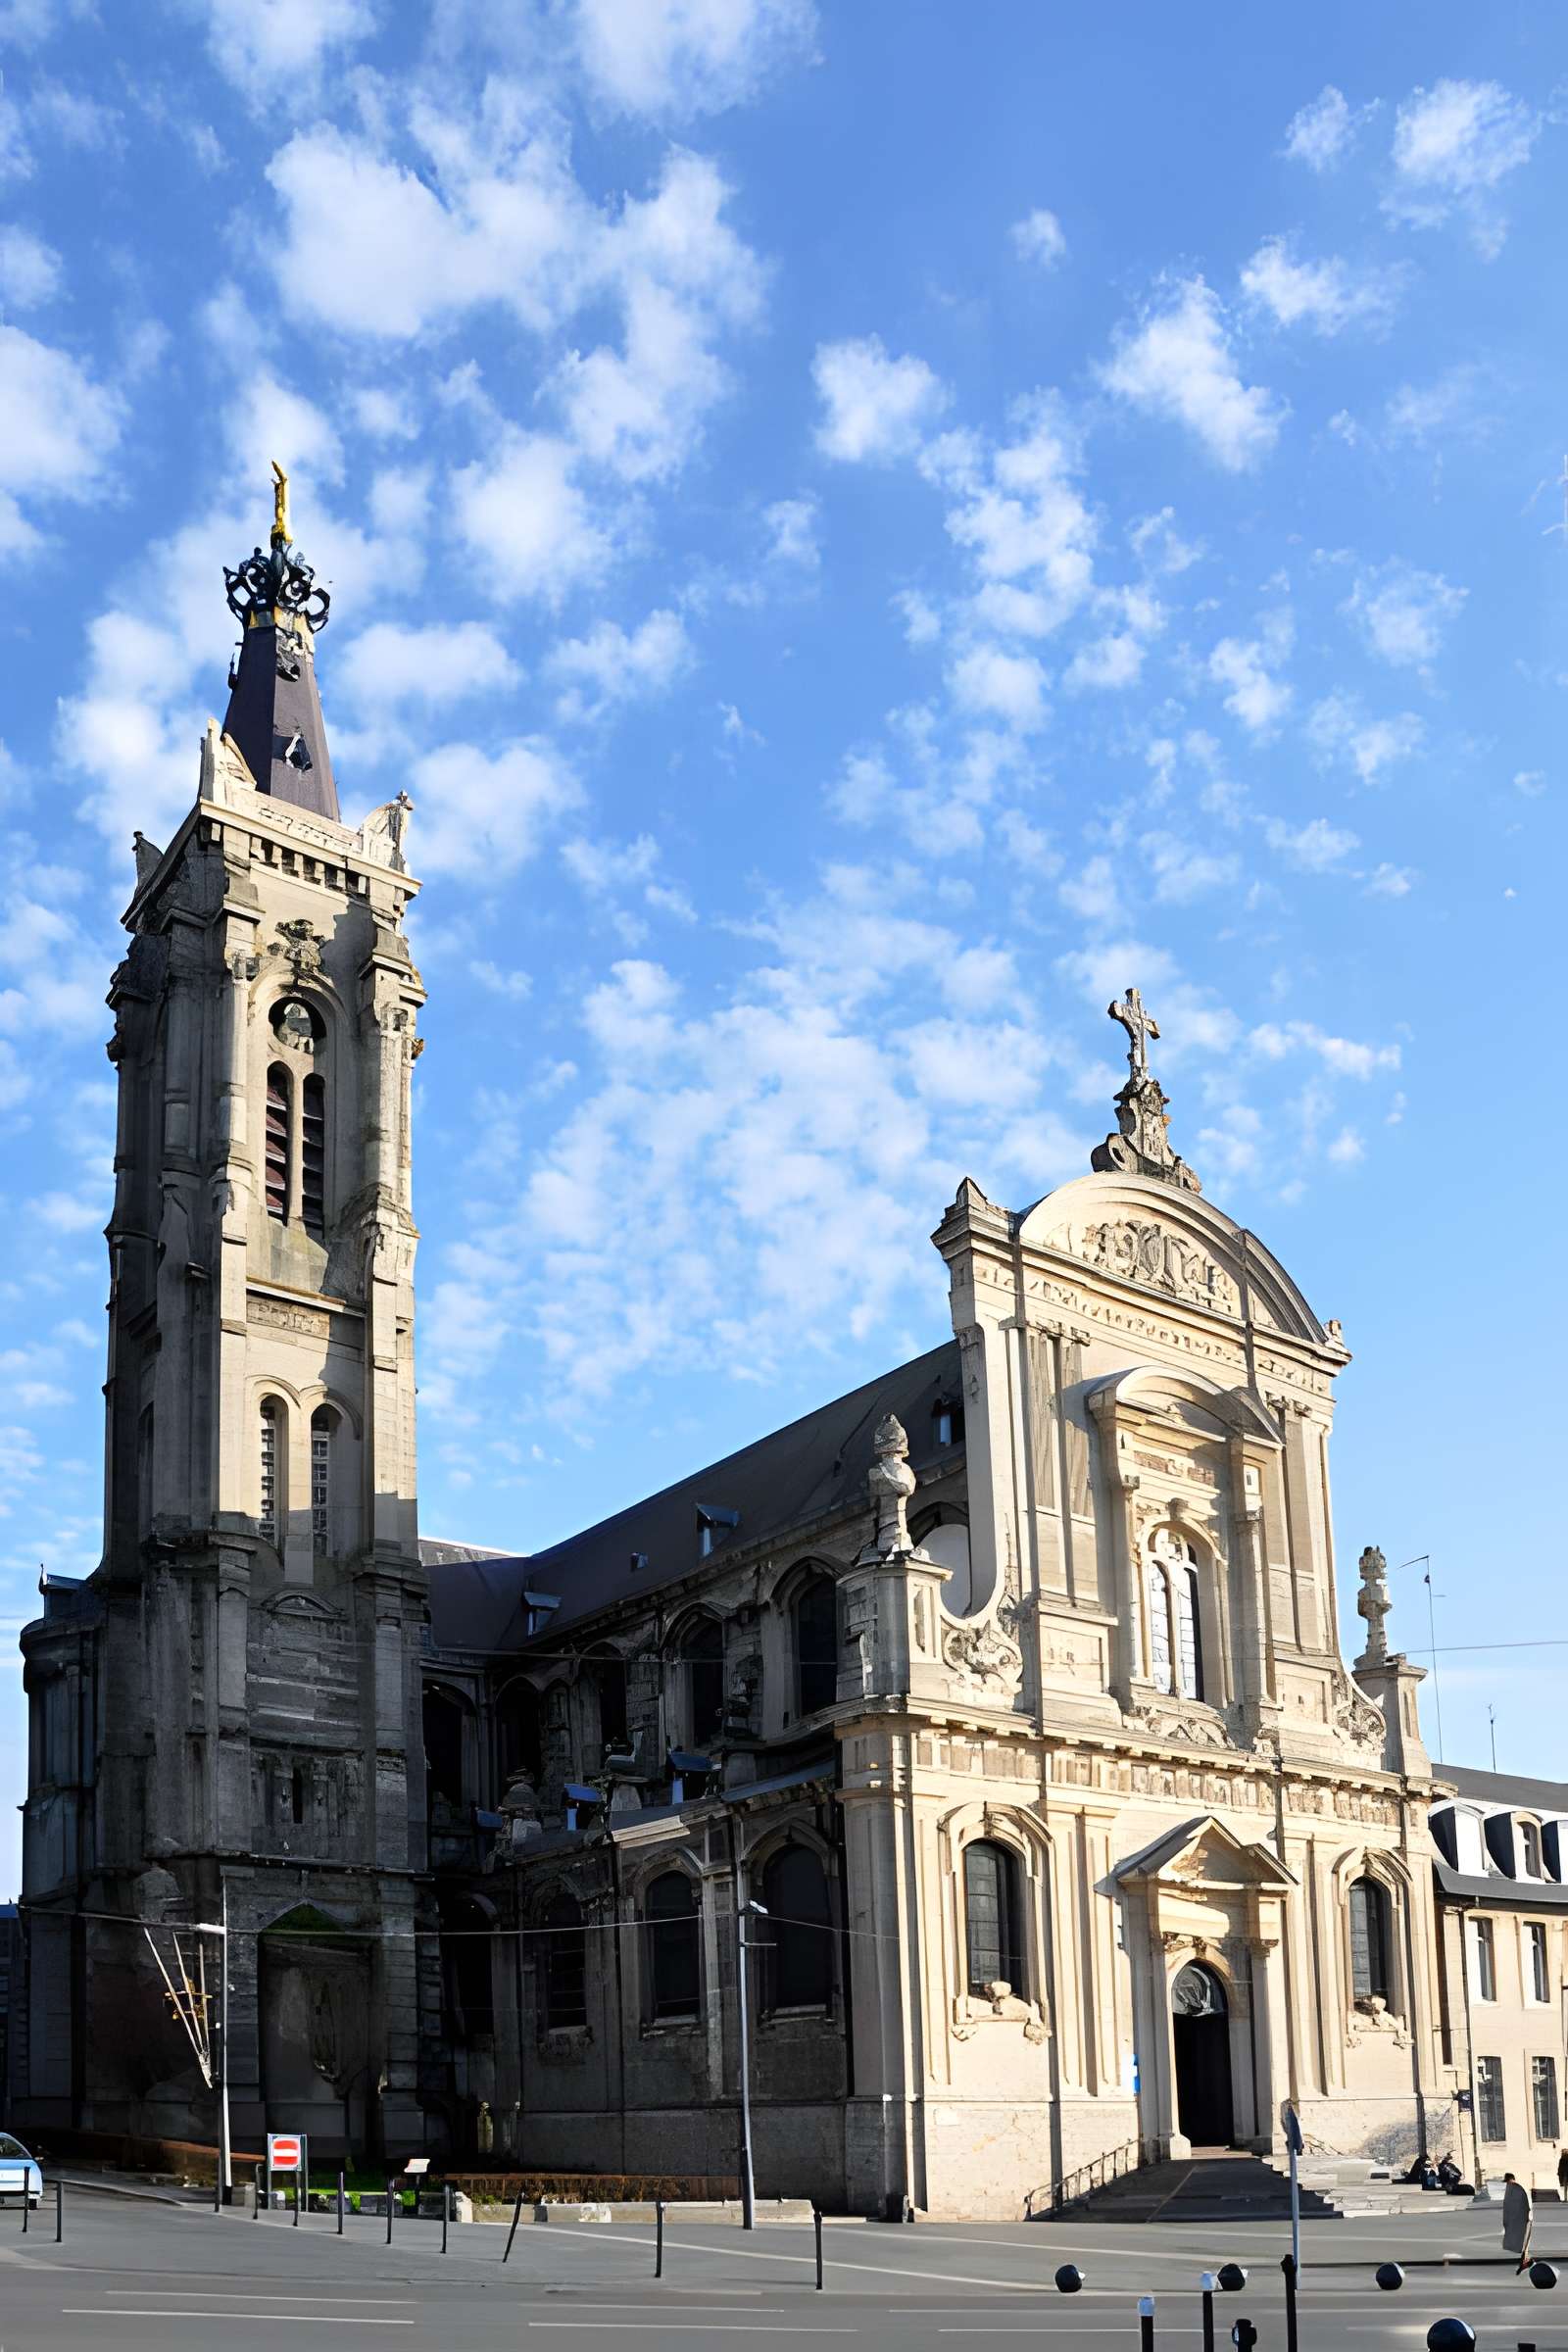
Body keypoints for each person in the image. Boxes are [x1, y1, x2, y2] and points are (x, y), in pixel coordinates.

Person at [1502, 2173, 1533, 2273]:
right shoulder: (1518, 2189)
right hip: (1522, 2218)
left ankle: (1525, 2262)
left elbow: (1508, 2207)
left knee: (1522, 2241)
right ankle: (1524, 2261)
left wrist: (1507, 2221)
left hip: (1518, 2219)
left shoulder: (1513, 2190)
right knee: (1523, 2241)